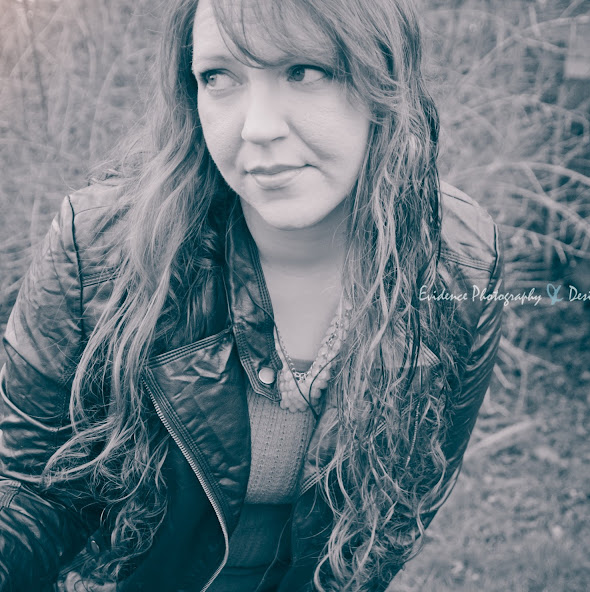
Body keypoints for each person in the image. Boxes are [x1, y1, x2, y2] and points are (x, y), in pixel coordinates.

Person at [0, 0, 503, 590]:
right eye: (219, 77)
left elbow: (394, 514)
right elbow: (29, 489)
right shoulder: (101, 248)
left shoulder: (458, 261)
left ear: (383, 82)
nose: (256, 127)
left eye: (304, 71)